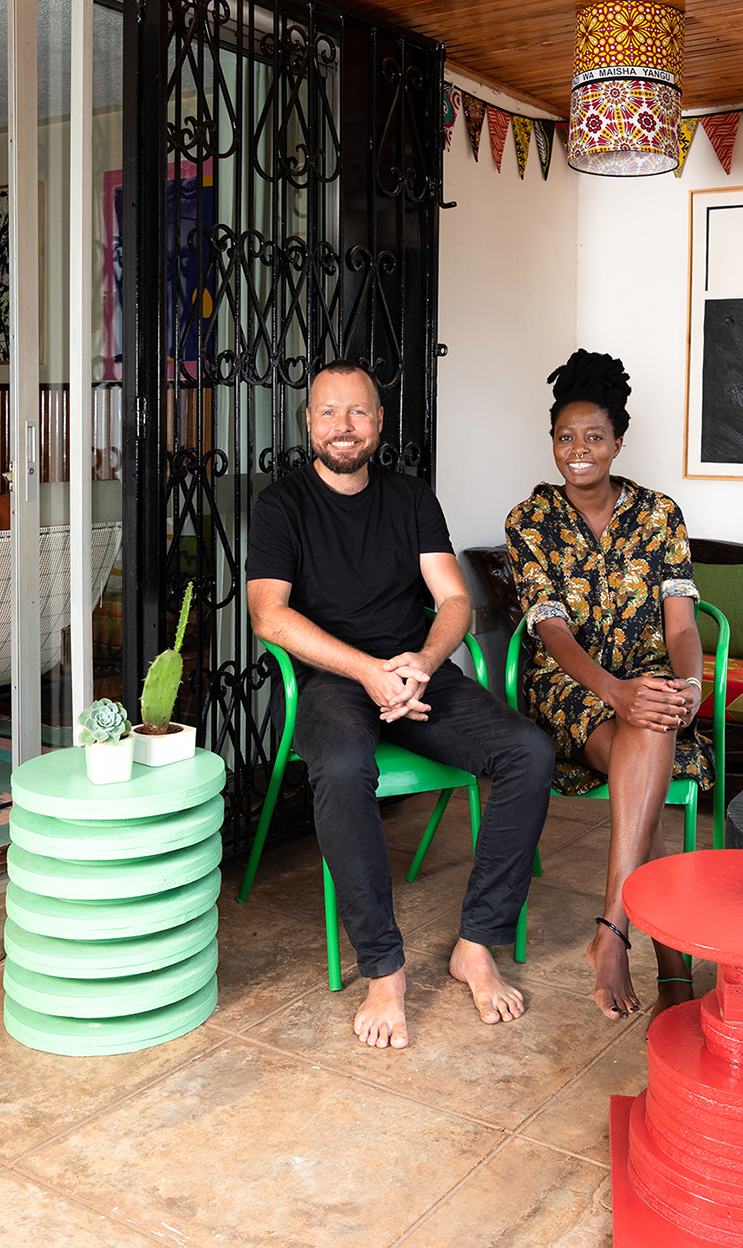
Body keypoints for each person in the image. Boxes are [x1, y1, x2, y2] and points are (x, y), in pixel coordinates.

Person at [246, 359, 554, 1050]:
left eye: (358, 412)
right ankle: (384, 968)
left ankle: (477, 943)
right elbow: (270, 617)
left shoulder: (411, 497)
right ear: (309, 423)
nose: (343, 427)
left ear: (379, 424)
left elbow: (451, 599)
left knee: (528, 751)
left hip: (416, 674)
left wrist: (421, 663)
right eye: (329, 412)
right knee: (346, 765)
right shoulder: (282, 505)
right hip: (329, 681)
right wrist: (368, 673)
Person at [505, 349, 714, 1022]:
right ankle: (668, 969)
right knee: (645, 734)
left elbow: (681, 624)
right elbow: (551, 631)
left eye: (594, 436)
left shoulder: (659, 515)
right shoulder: (529, 522)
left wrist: (693, 682)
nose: (578, 450)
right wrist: (615, 690)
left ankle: (615, 934)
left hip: (647, 687)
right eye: (566, 437)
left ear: (618, 442)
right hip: (567, 689)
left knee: (648, 726)